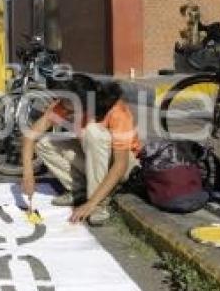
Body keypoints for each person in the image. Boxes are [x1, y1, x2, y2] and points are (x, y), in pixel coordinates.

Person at [20, 76, 141, 226]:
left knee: (93, 132)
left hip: (125, 166)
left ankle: (97, 203)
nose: (63, 108)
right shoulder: (66, 104)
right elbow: (31, 135)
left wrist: (91, 203)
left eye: (68, 105)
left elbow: (120, 165)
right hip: (95, 161)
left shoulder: (117, 111)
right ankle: (80, 189)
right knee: (44, 143)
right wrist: (28, 173)